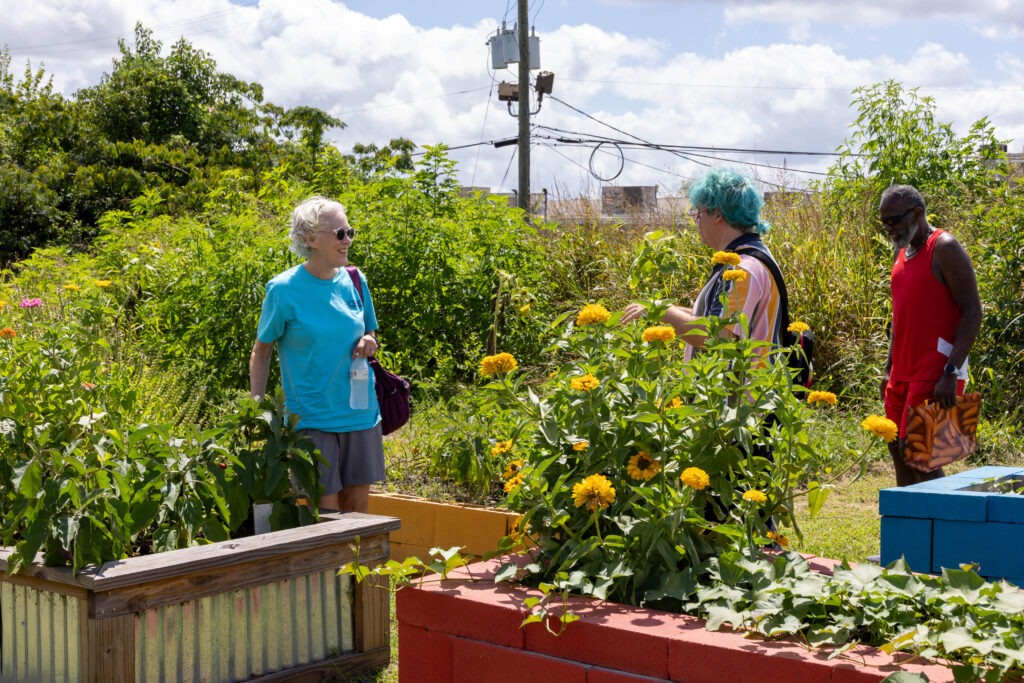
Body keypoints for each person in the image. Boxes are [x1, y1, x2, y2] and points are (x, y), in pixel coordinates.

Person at [249, 195, 385, 513]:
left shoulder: (355, 279)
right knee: (323, 514)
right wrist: (257, 408)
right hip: (311, 419)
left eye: (350, 231)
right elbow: (262, 350)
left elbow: (369, 329)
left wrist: (368, 339)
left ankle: (354, 567)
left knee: (357, 512)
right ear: (310, 239)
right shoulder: (283, 290)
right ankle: (327, 568)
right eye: (340, 233)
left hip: (359, 414)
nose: (348, 239)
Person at [879, 184, 981, 487]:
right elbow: (901, 317)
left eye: (894, 220)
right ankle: (907, 528)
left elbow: (973, 311)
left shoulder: (944, 246)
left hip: (934, 373)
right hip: (902, 373)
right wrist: (888, 369)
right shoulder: (903, 252)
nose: (888, 228)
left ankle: (944, 532)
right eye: (883, 222)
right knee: (896, 448)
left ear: (918, 213)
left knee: (923, 460)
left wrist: (951, 371)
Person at [621, 167, 784, 356]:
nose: (697, 223)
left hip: (742, 386)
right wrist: (666, 310)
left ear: (717, 214)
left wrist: (663, 312)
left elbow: (719, 337)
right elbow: (716, 320)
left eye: (699, 214)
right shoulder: (748, 258)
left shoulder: (743, 269)